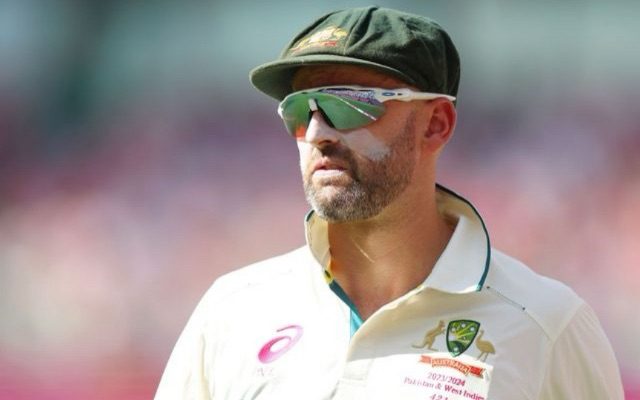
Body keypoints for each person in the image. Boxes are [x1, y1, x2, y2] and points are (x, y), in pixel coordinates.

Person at [155, 6, 624, 399]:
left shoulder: (546, 325)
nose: (317, 133)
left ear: (436, 124)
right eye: (300, 110)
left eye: (348, 103)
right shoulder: (233, 310)